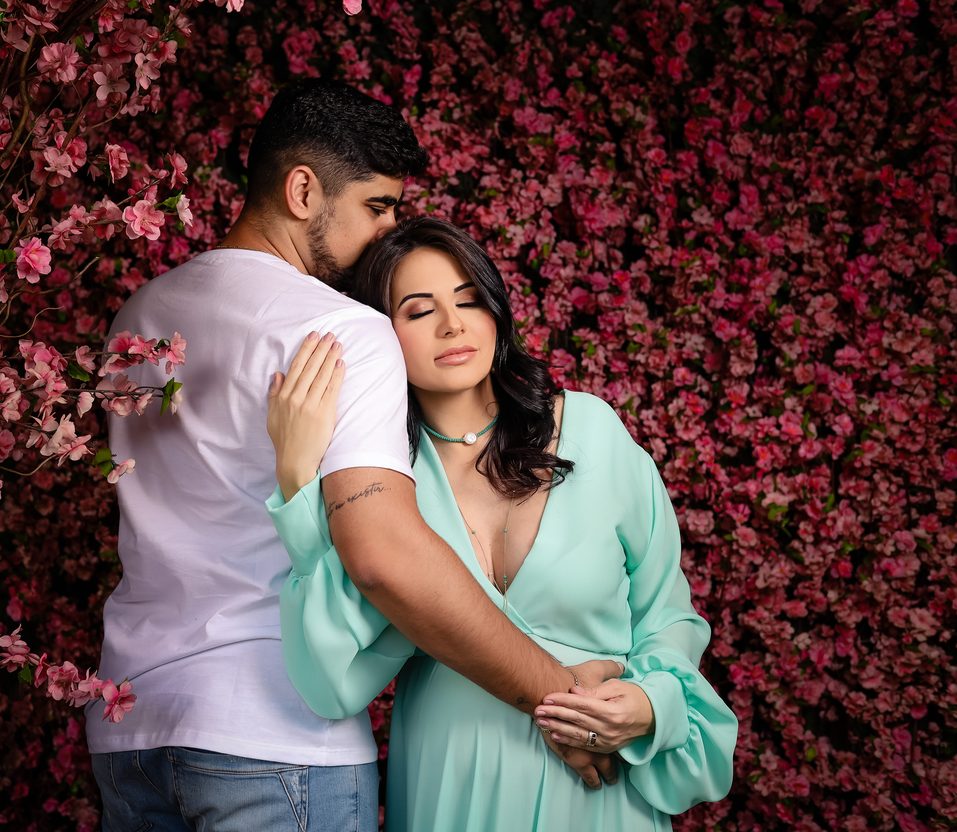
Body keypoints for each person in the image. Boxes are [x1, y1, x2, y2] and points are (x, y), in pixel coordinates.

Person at [87, 80, 617, 832]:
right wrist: (556, 696)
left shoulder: (139, 316)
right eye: (377, 206)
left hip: (130, 727)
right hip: (273, 735)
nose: (389, 230)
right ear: (303, 190)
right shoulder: (340, 330)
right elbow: (384, 556)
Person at [264, 216, 738, 832]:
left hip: (601, 782)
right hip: (451, 782)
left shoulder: (592, 429)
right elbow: (332, 680)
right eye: (418, 310)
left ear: (495, 311)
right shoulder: (381, 485)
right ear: (378, 332)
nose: (452, 325)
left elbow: (667, 614)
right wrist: (297, 477)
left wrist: (650, 704)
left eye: (468, 300)